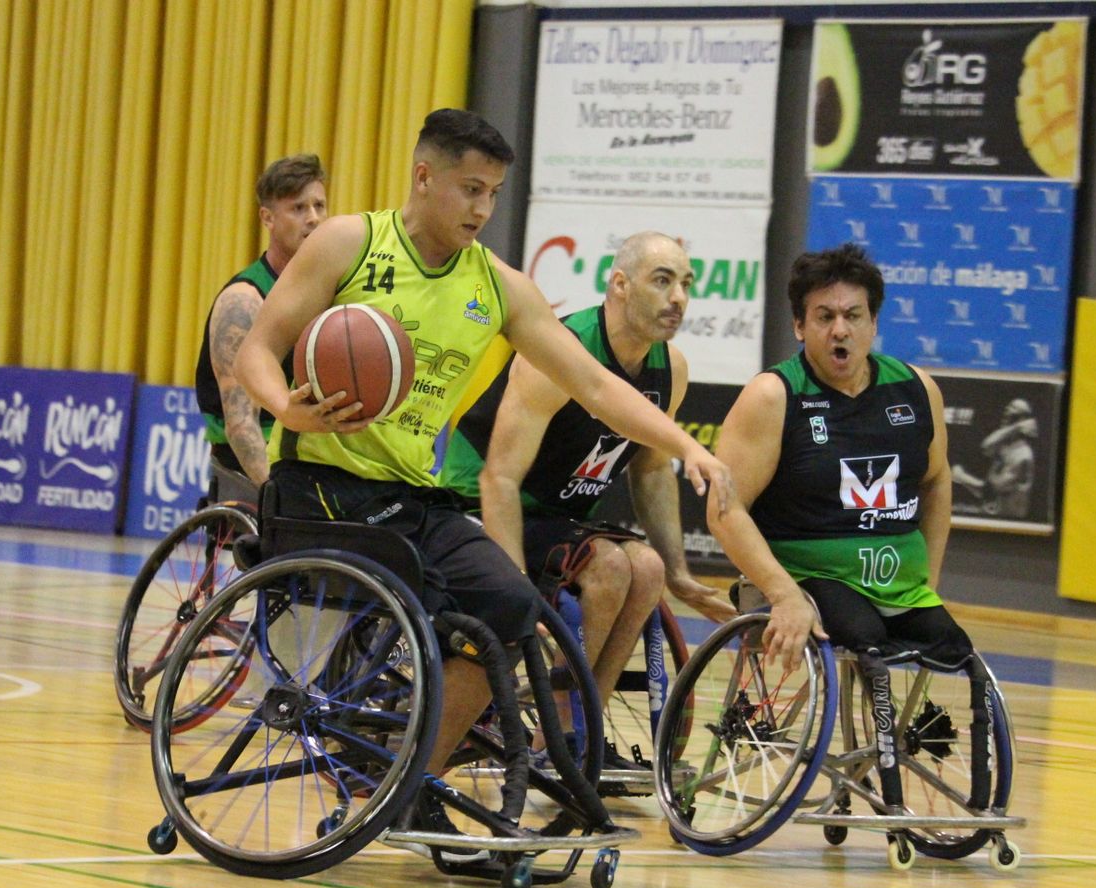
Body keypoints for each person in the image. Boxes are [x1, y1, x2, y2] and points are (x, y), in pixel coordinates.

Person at [233, 110, 731, 786]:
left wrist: (684, 446)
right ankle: (400, 738)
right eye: (470, 188)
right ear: (423, 176)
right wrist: (288, 406)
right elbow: (257, 350)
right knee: (447, 594)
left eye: (493, 192)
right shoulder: (350, 242)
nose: (483, 207)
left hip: (410, 499)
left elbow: (593, 382)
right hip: (321, 486)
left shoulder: (496, 285)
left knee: (512, 602)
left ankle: (413, 780)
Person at [706, 243, 991, 810]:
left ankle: (980, 803)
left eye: (853, 316)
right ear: (799, 325)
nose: (840, 330)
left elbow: (936, 484)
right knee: (867, 641)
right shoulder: (773, 396)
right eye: (825, 317)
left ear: (873, 323)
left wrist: (928, 578)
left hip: (897, 582)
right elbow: (722, 507)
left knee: (965, 655)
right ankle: (887, 801)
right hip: (805, 575)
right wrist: (782, 593)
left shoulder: (915, 389)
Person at [439, 231, 735, 714]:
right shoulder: (562, 350)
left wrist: (680, 574)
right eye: (662, 281)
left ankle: (584, 726)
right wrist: (514, 582)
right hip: (478, 504)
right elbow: (500, 479)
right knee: (611, 565)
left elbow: (654, 469)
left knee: (649, 567)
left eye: (685, 283)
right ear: (620, 284)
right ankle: (555, 726)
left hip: (556, 516)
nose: (678, 298)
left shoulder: (671, 369)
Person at [196, 154, 328, 483]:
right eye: (299, 208)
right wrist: (275, 498)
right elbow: (240, 425)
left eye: (319, 206)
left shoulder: (332, 289)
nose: (313, 218)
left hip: (312, 459)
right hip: (257, 470)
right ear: (267, 218)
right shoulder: (243, 301)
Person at [951, 398, 1036, 518]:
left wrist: (961, 477)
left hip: (1007, 520)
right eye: (1005, 416)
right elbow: (986, 447)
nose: (1004, 422)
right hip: (993, 510)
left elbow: (989, 492)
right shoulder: (1005, 447)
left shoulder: (1022, 456)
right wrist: (1016, 427)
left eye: (1011, 416)